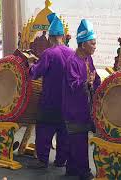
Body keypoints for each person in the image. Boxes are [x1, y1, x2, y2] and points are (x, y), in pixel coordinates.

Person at [27, 13, 73, 169]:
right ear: (63, 36)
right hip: (67, 103)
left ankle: (43, 160)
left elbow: (36, 73)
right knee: (64, 133)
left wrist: (31, 64)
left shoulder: (49, 53)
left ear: (51, 38)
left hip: (49, 101)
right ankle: (61, 161)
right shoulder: (72, 53)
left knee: (44, 132)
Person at [62, 19, 101, 180]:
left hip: (84, 108)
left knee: (77, 140)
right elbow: (73, 85)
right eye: (92, 43)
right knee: (79, 141)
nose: (95, 46)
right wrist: (88, 83)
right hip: (74, 110)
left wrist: (102, 85)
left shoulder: (87, 59)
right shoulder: (72, 61)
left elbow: (94, 77)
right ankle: (84, 172)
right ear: (83, 44)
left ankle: (71, 169)